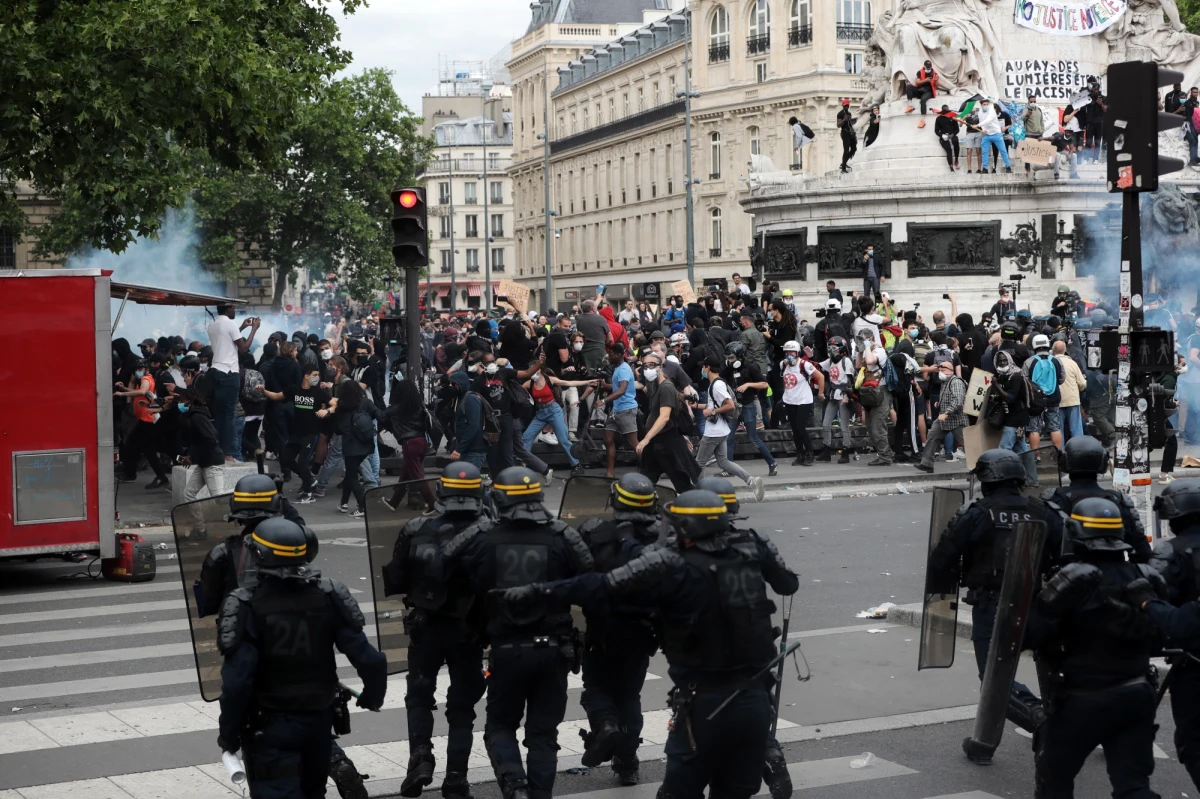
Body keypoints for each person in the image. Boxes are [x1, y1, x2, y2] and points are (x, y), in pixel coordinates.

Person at [493, 489, 796, 799]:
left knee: (678, 792)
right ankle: (770, 754)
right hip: (756, 701)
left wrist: (540, 590)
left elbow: (602, 585)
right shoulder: (750, 551)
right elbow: (788, 583)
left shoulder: (672, 564)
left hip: (707, 704)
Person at [440, 468, 594, 799]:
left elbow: (445, 562)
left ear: (498, 498)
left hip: (507, 648)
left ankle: (513, 783)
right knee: (543, 734)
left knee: (499, 726)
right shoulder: (562, 535)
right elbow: (590, 579)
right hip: (555, 649)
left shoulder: (484, 536)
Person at [216, 518, 387, 799]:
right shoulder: (328, 595)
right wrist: (372, 697)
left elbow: (237, 683)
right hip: (319, 723)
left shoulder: (246, 604)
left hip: (269, 728)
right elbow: (371, 660)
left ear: (259, 556)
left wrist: (229, 735)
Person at [1025, 499, 1164, 798]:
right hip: (1137, 691)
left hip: (1084, 697)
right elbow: (1163, 632)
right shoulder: (1144, 576)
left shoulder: (1070, 582)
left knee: (1054, 781)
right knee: (1134, 786)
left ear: (1075, 534)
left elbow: (1033, 635)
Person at [926, 450, 1050, 759]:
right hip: (1040, 605)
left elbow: (943, 556)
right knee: (1051, 672)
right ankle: (983, 745)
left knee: (994, 680)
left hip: (994, 606)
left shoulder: (979, 513)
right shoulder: (1042, 509)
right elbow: (1063, 550)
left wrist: (944, 583)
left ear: (986, 480)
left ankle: (1043, 720)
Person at [383, 462, 489, 799]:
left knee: (419, 695)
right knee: (462, 707)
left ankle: (421, 760)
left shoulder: (416, 527)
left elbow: (396, 579)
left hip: (425, 628)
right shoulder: (489, 531)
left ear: (442, 491)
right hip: (468, 631)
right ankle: (456, 779)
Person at [575, 473, 663, 783]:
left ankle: (607, 725)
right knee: (629, 694)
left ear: (615, 500)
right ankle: (628, 763)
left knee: (596, 688)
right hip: (642, 633)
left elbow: (574, 574)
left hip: (602, 629)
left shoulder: (594, 533)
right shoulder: (660, 539)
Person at [693, 356, 766, 501]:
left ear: (707, 368)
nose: (702, 369)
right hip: (721, 430)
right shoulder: (718, 383)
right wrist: (695, 406)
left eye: (703, 367)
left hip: (713, 432)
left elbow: (729, 405)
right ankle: (751, 481)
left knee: (699, 463)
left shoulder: (716, 385)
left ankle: (698, 495)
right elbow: (713, 405)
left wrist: (712, 412)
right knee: (724, 462)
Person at [262, 365, 332, 504]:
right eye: (314, 375)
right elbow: (276, 396)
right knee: (286, 459)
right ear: (306, 376)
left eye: (318, 375)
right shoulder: (294, 390)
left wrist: (328, 411)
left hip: (311, 433)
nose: (317, 378)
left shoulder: (319, 393)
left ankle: (308, 493)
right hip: (296, 433)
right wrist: (262, 390)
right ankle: (309, 480)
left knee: (302, 461)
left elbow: (335, 402)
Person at [635, 349, 699, 493]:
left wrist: (645, 439)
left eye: (652, 365)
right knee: (646, 480)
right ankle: (640, 511)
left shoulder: (666, 387)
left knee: (682, 483)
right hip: (656, 443)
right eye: (645, 366)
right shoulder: (653, 385)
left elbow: (664, 417)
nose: (648, 368)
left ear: (660, 367)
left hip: (666, 443)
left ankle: (704, 506)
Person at [207, 305, 260, 459]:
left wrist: (242, 327)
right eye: (234, 308)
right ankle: (228, 453)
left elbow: (227, 338)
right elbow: (243, 349)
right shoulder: (229, 324)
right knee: (230, 414)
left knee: (220, 413)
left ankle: (218, 449)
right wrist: (254, 329)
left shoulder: (213, 324)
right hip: (229, 373)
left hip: (216, 370)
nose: (235, 311)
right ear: (229, 309)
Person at [114, 359, 172, 489]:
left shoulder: (146, 378)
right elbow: (139, 392)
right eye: (137, 369)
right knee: (146, 449)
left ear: (146, 369)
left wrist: (122, 393)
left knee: (135, 445)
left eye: (141, 369)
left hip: (147, 419)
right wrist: (124, 388)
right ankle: (159, 476)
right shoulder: (143, 380)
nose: (138, 371)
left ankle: (131, 473)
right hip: (145, 418)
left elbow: (141, 392)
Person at [332, 382, 386, 518]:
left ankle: (362, 506)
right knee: (351, 473)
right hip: (366, 444)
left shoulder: (342, 408)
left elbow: (338, 429)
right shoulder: (366, 403)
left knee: (351, 476)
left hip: (350, 446)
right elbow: (379, 415)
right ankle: (343, 502)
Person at [724, 341, 778, 476]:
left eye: (731, 358)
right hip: (735, 406)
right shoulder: (729, 369)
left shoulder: (751, 366)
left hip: (748, 404)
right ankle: (729, 468)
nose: (729, 361)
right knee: (728, 437)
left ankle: (772, 463)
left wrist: (748, 384)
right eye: (727, 358)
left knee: (753, 438)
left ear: (740, 356)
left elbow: (764, 384)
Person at [384, 378, 438, 514]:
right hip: (422, 442)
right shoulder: (420, 407)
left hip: (409, 443)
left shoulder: (396, 409)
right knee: (407, 473)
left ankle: (433, 503)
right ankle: (394, 502)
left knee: (416, 476)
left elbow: (381, 416)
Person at [989, 350, 1036, 486]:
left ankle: (1004, 480)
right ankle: (1031, 479)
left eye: (1004, 360)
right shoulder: (1002, 376)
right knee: (1021, 450)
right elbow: (1005, 396)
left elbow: (1010, 398)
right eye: (999, 361)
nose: (1002, 363)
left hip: (1016, 418)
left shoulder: (1015, 376)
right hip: (1012, 417)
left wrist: (996, 386)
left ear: (1010, 360)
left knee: (1004, 449)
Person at [178, 384, 226, 512]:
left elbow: (210, 439)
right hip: (203, 462)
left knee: (219, 497)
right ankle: (200, 527)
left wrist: (192, 457)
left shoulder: (197, 417)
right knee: (189, 494)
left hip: (212, 462)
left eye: (182, 401)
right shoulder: (195, 416)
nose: (180, 404)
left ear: (190, 401)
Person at [914, 359, 966, 473]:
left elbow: (957, 401)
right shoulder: (945, 382)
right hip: (943, 419)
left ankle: (980, 464)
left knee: (968, 443)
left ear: (950, 370)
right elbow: (948, 397)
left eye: (943, 370)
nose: (940, 372)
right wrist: (939, 403)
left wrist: (946, 413)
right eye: (939, 370)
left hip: (956, 419)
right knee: (932, 436)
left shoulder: (956, 382)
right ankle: (927, 463)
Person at [779, 340, 822, 467]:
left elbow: (820, 377)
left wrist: (820, 393)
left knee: (800, 427)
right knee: (794, 430)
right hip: (790, 400)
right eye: (786, 352)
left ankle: (809, 453)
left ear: (797, 352)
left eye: (791, 352)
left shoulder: (804, 365)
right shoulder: (784, 364)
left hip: (804, 400)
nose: (789, 355)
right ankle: (800, 454)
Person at [856, 330, 895, 466]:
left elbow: (871, 361)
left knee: (878, 427)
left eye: (863, 339)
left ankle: (885, 457)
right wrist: (860, 351)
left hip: (881, 391)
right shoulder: (866, 350)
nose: (861, 342)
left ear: (870, 339)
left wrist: (867, 346)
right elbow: (858, 365)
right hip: (869, 392)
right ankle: (887, 453)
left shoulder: (879, 350)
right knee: (871, 426)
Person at [601, 343, 639, 479]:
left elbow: (622, 390)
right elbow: (619, 386)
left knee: (635, 444)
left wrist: (604, 401)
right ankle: (610, 472)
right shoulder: (618, 368)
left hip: (626, 410)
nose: (609, 357)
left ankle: (652, 469)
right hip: (616, 411)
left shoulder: (623, 369)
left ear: (619, 355)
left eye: (611, 355)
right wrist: (607, 385)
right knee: (608, 440)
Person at [817, 336, 855, 463]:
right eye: (830, 347)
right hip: (833, 394)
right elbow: (818, 367)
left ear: (841, 349)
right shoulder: (831, 361)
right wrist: (810, 357)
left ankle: (846, 451)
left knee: (844, 425)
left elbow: (851, 380)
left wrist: (847, 396)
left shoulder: (846, 361)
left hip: (843, 394)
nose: (831, 350)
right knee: (825, 423)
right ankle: (826, 449)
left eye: (834, 347)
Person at [977, 97, 1012, 173]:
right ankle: (985, 168)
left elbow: (987, 120)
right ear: (981, 105)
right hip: (986, 135)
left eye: (987, 104)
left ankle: (1008, 167)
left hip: (996, 134)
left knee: (1003, 151)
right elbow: (982, 121)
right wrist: (983, 130)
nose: (985, 105)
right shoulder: (980, 112)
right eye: (984, 104)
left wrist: (977, 125)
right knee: (984, 152)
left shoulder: (992, 111)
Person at [577, 298, 612, 372]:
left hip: (584, 352)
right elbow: (610, 338)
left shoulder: (579, 319)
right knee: (601, 373)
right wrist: (603, 343)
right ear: (593, 308)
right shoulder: (600, 319)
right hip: (599, 351)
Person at [934, 104, 961, 171]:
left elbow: (957, 129)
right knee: (949, 149)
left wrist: (952, 134)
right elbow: (936, 130)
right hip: (944, 136)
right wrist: (942, 135)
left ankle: (956, 160)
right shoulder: (939, 118)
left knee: (956, 143)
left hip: (952, 134)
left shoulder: (952, 117)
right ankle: (951, 165)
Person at [837, 98, 857, 173]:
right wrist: (844, 119)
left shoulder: (849, 114)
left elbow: (850, 124)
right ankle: (843, 168)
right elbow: (838, 125)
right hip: (844, 133)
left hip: (850, 133)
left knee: (854, 148)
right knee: (846, 150)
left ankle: (844, 162)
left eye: (847, 105)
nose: (846, 107)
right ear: (842, 105)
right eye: (845, 106)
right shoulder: (840, 114)